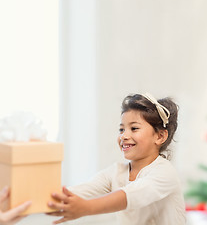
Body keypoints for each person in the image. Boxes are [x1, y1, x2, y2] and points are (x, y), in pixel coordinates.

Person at [48, 93, 186, 224]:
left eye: (134, 128)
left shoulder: (164, 173)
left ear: (160, 136)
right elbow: (79, 191)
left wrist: (86, 207)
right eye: (121, 129)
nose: (124, 136)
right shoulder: (116, 173)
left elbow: (130, 196)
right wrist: (47, 199)